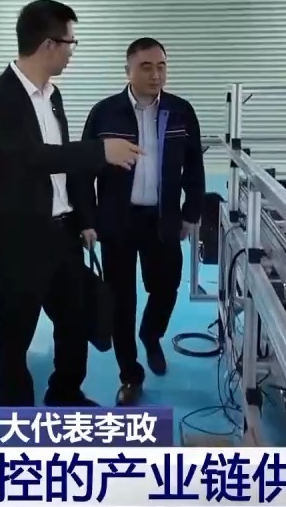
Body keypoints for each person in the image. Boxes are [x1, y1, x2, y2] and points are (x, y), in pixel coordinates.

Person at [0, 0, 142, 407]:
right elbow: (27, 159)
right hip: (20, 239)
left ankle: (65, 394)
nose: (72, 51)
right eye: (71, 42)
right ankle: (13, 413)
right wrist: (100, 151)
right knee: (17, 333)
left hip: (63, 234)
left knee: (74, 321)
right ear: (49, 44)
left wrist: (84, 219)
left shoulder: (53, 95)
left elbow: (63, 165)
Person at [81, 37, 205, 406]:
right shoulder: (105, 113)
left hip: (163, 218)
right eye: (146, 67)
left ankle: (151, 335)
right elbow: (84, 171)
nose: (156, 74)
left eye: (161, 66)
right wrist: (87, 220)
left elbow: (194, 166)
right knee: (121, 300)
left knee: (166, 287)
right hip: (117, 220)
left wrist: (191, 213)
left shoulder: (181, 111)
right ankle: (130, 375)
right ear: (128, 71)